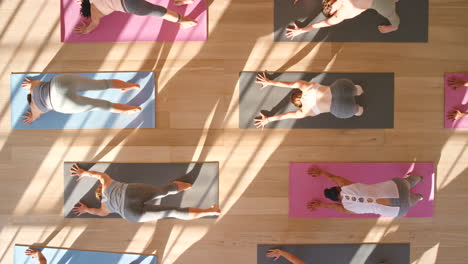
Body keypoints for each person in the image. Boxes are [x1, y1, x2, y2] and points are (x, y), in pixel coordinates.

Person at [70, 164, 220, 222]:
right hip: (130, 192)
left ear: (99, 197)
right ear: (99, 190)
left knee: (172, 212)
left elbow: (96, 212)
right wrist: (84, 173)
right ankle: (187, 185)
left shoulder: (105, 208)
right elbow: (100, 176)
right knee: (163, 190)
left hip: (129, 213)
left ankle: (211, 211)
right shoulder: (106, 185)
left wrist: (85, 210)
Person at [253, 72, 364, 128]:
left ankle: (358, 108)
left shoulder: (303, 112)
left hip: (340, 108)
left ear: (298, 105)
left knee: (358, 111)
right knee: (357, 89)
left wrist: (268, 120)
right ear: (299, 93)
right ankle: (357, 91)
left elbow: (286, 115)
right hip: (339, 88)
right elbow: (289, 85)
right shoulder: (305, 87)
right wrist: (270, 82)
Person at [21, 74, 142, 126]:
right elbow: (35, 82)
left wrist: (31, 117)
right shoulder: (33, 87)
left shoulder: (35, 108)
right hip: (60, 82)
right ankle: (129, 85)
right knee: (102, 84)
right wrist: (30, 83)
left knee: (101, 105)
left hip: (61, 104)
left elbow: (35, 117)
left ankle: (130, 109)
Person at [306, 166, 424, 217]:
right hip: (398, 188)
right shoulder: (346, 186)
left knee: (410, 201)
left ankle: (419, 197)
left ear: (337, 200)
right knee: (407, 182)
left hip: (398, 211)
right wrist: (321, 172)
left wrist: (320, 205)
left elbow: (332, 207)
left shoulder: (347, 209)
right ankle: (419, 178)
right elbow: (333, 178)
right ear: (338, 188)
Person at [285, 0, 401, 40]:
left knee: (394, 20)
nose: (331, 10)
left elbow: (322, 23)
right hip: (380, 3)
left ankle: (394, 27)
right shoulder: (343, 13)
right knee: (393, 17)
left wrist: (302, 30)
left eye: (329, 7)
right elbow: (320, 24)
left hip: (380, 3)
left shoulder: (342, 13)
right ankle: (393, 26)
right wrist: (302, 30)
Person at [74, 0, 197, 34]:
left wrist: (85, 30)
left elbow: (94, 25)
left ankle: (185, 21)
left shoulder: (95, 13)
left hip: (130, 6)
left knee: (159, 12)